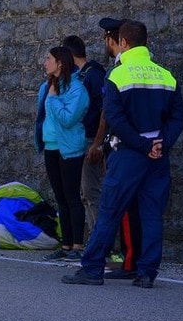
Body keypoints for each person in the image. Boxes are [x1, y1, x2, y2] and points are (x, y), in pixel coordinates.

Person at [62, 20, 183, 288]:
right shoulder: (166, 75)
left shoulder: (118, 75)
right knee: (152, 214)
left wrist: (142, 145)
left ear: (124, 42)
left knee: (109, 210)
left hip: (129, 154)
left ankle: (92, 269)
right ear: (145, 42)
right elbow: (178, 118)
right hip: (158, 157)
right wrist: (161, 143)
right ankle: (146, 273)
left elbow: (115, 118)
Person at [96, 17, 143, 280]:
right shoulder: (146, 68)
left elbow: (109, 114)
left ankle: (128, 260)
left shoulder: (119, 71)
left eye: (106, 39)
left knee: (122, 207)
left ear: (115, 41)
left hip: (124, 146)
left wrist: (99, 144)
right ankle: (133, 259)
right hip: (142, 145)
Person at [35, 46, 90, 262]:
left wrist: (53, 99)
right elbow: (42, 117)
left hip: (70, 149)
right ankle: (66, 245)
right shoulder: (47, 86)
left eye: (48, 59)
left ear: (60, 63)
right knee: (60, 198)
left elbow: (68, 119)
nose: (45, 62)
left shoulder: (77, 89)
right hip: (51, 147)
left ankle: (77, 245)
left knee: (72, 197)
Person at [61, 35, 106, 237]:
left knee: (91, 191)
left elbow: (104, 111)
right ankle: (94, 237)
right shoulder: (80, 76)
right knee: (83, 193)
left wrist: (97, 144)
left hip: (90, 140)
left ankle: (100, 240)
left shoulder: (93, 75)